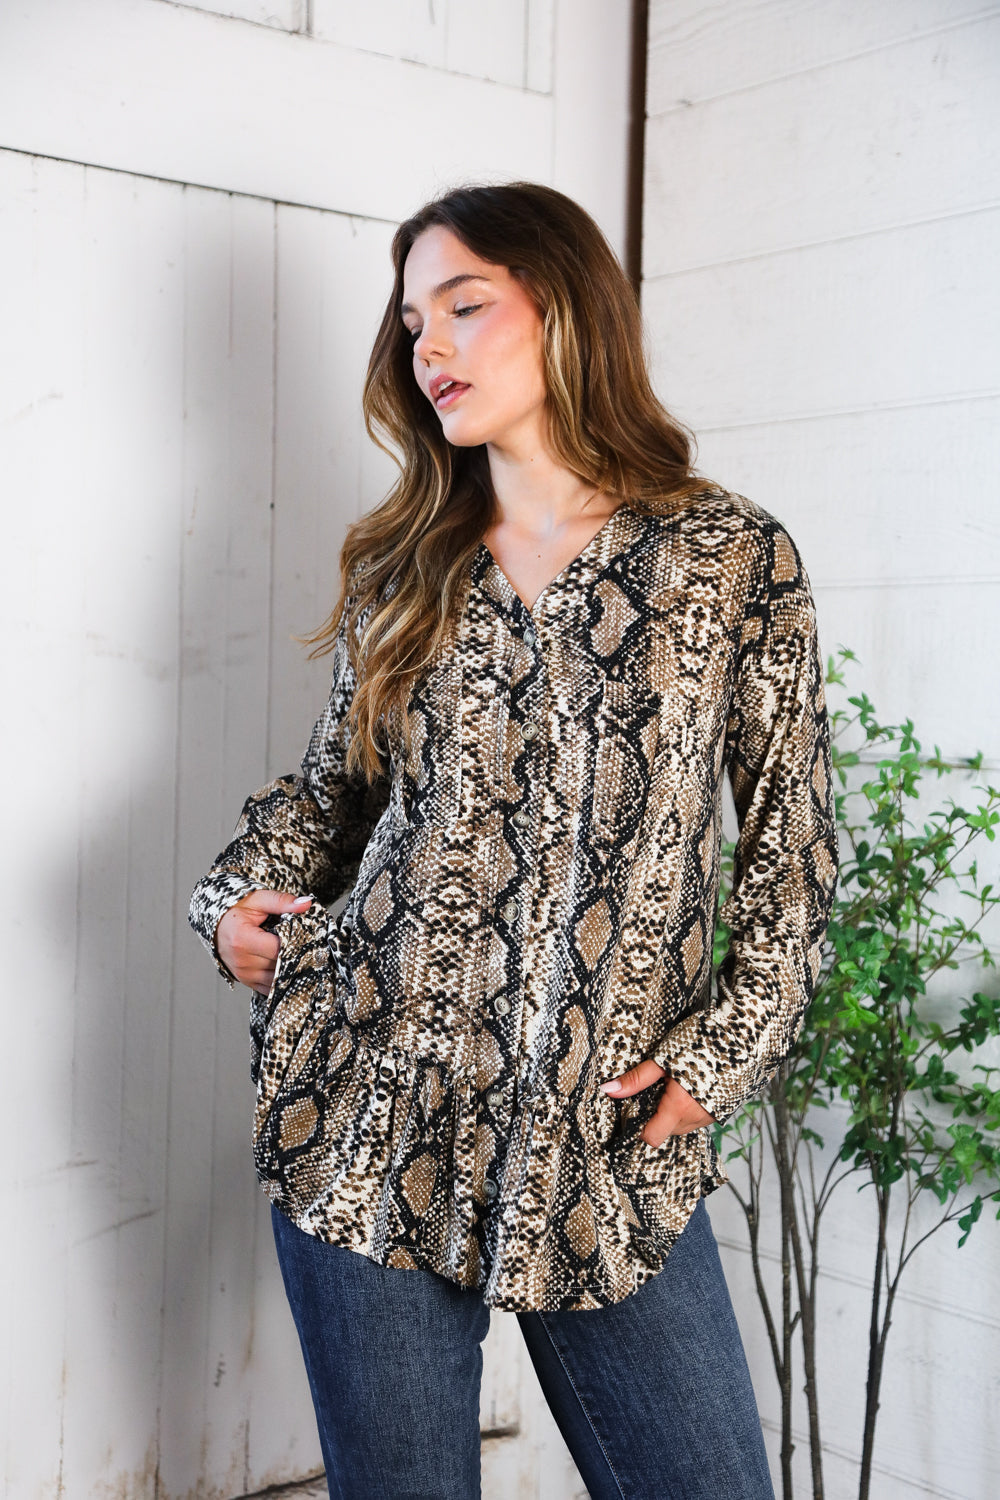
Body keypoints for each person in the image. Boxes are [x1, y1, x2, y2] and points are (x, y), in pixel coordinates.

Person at [189, 181, 838, 1500]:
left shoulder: (728, 558)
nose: (429, 345)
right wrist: (238, 897)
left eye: (465, 306)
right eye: (412, 321)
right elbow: (337, 795)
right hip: (374, 1106)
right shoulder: (403, 565)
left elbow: (795, 848)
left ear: (565, 305)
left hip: (606, 1131)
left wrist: (720, 1057)